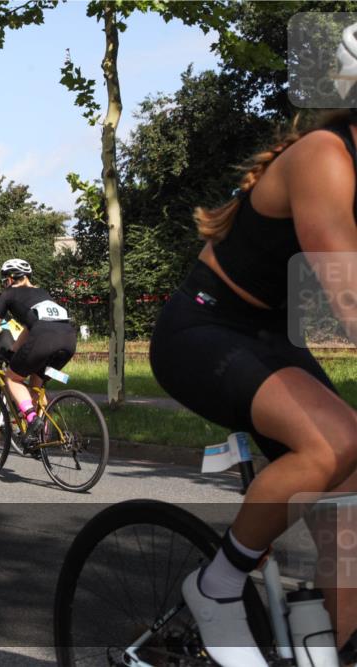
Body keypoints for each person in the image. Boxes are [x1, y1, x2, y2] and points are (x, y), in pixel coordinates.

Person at [149, 109, 357, 667]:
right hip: (204, 328)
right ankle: (217, 585)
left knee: (350, 518)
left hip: (273, 339)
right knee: (334, 441)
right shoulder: (324, 156)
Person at [0, 259, 76, 442]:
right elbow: (27, 329)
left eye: (4, 280)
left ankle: (33, 420)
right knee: (36, 383)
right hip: (69, 340)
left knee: (12, 378)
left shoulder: (8, 294)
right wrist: (13, 351)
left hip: (44, 338)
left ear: (10, 279)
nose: (4, 284)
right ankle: (39, 437)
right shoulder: (42, 293)